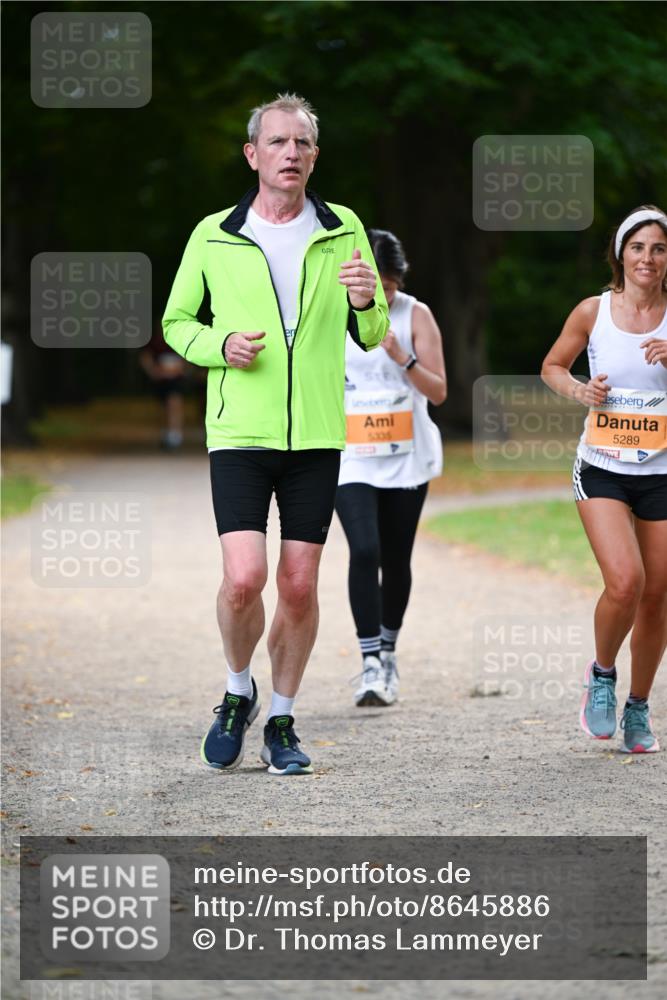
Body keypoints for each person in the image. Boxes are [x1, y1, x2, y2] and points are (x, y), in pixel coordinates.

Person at [162, 94, 388, 775]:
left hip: (315, 434)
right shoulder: (214, 234)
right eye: (278, 142)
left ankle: (282, 720)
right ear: (252, 154)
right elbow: (176, 323)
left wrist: (362, 300)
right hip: (239, 432)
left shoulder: (342, 227)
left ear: (314, 157)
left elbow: (373, 330)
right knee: (243, 579)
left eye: (302, 143)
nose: (291, 153)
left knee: (297, 585)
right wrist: (220, 344)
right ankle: (239, 692)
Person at [541, 205, 667, 753]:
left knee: (658, 596)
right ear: (621, 254)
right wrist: (580, 389)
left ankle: (638, 707)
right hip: (604, 467)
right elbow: (552, 366)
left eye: (659, 248)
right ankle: (602, 674)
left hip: (662, 471)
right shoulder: (593, 311)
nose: (648, 258)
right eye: (638, 247)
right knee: (625, 581)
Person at [335, 230, 446, 706]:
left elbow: (438, 391)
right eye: (374, 285)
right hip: (351, 454)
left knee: (396, 558)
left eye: (390, 286)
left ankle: (388, 650)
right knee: (364, 550)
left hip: (405, 457)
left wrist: (403, 357)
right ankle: (369, 663)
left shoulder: (416, 314)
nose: (383, 294)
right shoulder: (333, 312)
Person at [139, 323, 187, 449]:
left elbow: (186, 358)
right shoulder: (155, 342)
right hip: (161, 380)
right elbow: (145, 356)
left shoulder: (179, 340)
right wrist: (153, 371)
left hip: (175, 380)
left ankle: (175, 434)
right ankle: (165, 433)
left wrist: (181, 369)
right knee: (163, 407)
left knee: (174, 404)